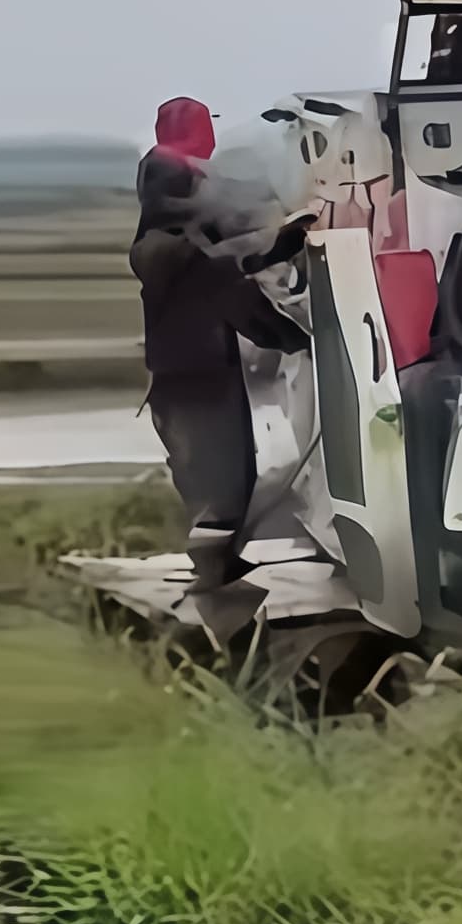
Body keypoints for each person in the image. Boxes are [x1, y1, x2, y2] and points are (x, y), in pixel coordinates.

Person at [131, 98, 308, 587]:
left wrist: (272, 243)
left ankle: (220, 568)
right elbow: (223, 277)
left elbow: (225, 257)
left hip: (195, 373)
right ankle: (216, 578)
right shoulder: (170, 243)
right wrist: (294, 338)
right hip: (195, 377)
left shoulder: (171, 230)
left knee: (223, 472)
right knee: (218, 476)